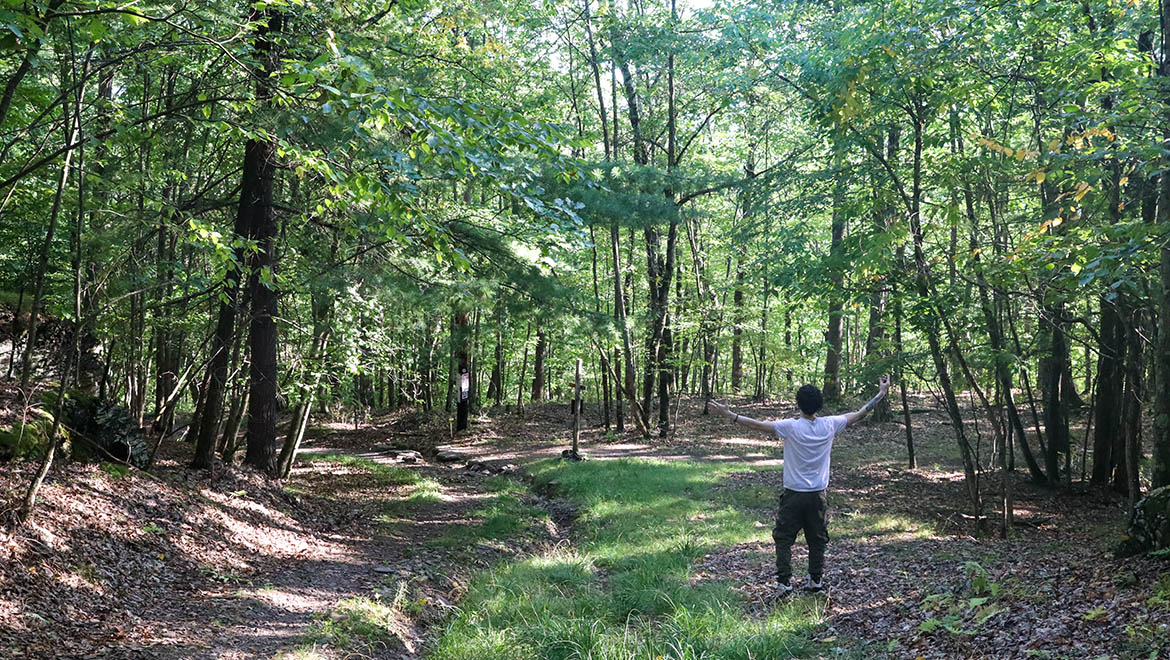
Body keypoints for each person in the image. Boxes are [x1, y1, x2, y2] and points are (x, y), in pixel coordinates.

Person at [708, 375, 889, 598]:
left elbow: (757, 425)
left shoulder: (791, 427)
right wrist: (880, 394)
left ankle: (784, 583)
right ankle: (815, 581)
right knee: (817, 539)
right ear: (819, 404)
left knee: (784, 538)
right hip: (817, 496)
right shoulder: (830, 425)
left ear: (798, 404)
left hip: (793, 495)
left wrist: (730, 415)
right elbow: (860, 413)